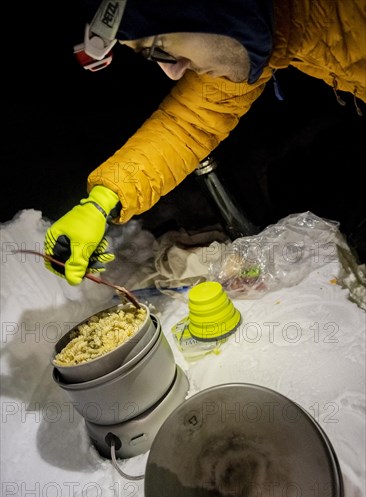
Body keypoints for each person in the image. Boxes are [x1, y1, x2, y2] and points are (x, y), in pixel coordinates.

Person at [44, 0, 366, 285]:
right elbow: (189, 123)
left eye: (159, 46)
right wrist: (102, 201)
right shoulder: (277, 24)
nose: (172, 72)